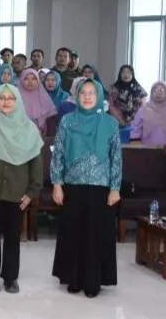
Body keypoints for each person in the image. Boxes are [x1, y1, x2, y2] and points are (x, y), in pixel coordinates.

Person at [51, 79, 122, 298]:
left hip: (101, 188)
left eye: (92, 93)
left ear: (99, 96)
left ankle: (93, 281)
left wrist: (115, 188)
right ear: (77, 95)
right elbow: (58, 153)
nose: (88, 97)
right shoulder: (67, 121)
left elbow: (116, 157)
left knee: (96, 234)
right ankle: (73, 278)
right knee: (73, 232)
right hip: (73, 186)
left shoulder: (110, 123)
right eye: (83, 93)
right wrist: (57, 184)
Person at [0, 84, 44, 293]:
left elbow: (36, 164)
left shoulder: (29, 129)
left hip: (18, 193)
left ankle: (11, 278)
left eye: (11, 98)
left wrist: (31, 192)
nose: (6, 102)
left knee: (13, 238)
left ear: (18, 101)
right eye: (1, 98)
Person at [130, 81, 166, 150]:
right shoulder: (143, 110)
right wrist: (137, 149)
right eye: (155, 90)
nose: (158, 93)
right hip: (147, 151)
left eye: (162, 90)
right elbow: (136, 131)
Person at [18, 68, 58, 135]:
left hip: (40, 138)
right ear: (21, 80)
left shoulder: (44, 98)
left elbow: (51, 124)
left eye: (33, 79)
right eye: (26, 79)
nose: (30, 81)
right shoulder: (15, 97)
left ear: (38, 80)